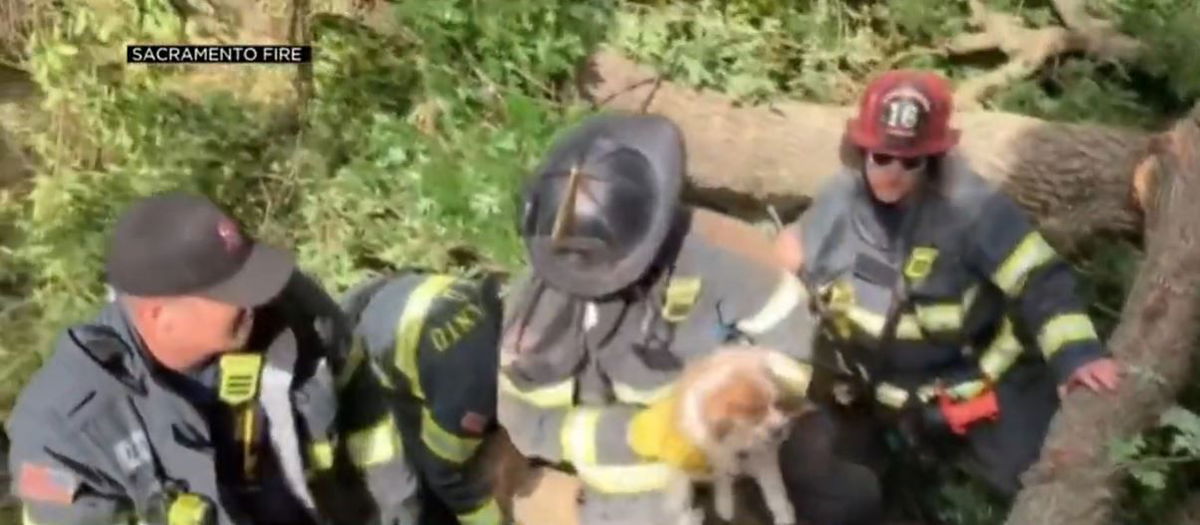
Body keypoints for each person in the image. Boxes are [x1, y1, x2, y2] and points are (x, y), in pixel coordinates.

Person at [497, 112, 883, 525]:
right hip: (638, 474)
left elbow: (794, 336)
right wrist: (638, 433)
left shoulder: (716, 251)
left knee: (836, 487)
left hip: (746, 426)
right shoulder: (536, 313)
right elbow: (528, 420)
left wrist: (738, 397)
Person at [772, 69, 1122, 512]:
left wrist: (1079, 356)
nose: (893, 174)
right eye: (881, 158)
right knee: (841, 492)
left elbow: (1040, 279)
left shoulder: (973, 210)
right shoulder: (840, 198)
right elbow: (787, 254)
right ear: (861, 152)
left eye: (910, 162)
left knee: (1031, 482)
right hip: (874, 391)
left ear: (933, 160)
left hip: (980, 386)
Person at [6, 192, 419, 525]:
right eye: (233, 292)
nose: (258, 300)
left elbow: (371, 430)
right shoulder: (65, 435)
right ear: (159, 314)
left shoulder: (295, 314)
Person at [338, 269, 507, 525]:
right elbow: (447, 475)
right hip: (365, 345)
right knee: (412, 490)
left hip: (402, 296)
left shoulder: (510, 307)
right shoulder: (467, 393)